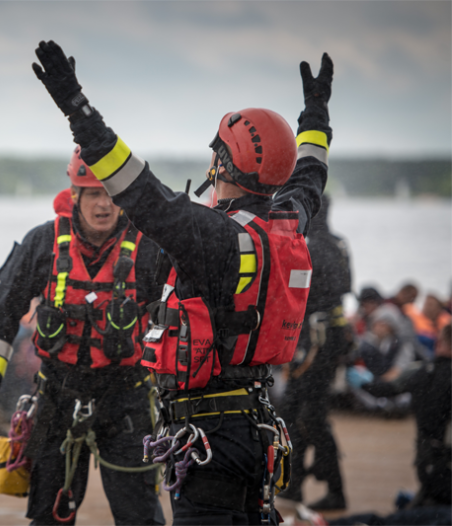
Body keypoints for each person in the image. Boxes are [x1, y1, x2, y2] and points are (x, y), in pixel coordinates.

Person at [30, 40, 332, 524]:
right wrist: (316, 116)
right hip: (255, 427)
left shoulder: (211, 236)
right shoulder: (290, 219)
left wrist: (76, 108)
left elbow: (134, 186)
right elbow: (312, 171)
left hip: (209, 435)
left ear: (225, 164)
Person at [0, 145, 164, 524]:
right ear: (75, 194)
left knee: (140, 517)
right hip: (57, 398)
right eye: (93, 193)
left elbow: (183, 319)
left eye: (111, 193)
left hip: (128, 401)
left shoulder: (150, 247)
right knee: (48, 516)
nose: (103, 204)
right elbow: (1, 317)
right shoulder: (41, 243)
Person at [278, 194, 353, 510]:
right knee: (302, 413)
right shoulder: (339, 244)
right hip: (331, 340)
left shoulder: (311, 247)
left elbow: (296, 294)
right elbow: (345, 287)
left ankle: (327, 486)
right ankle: (296, 484)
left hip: (314, 345)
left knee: (306, 414)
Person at [360, 323, 451, 508]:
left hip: (426, 459)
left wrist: (363, 382)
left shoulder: (421, 370)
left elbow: (384, 390)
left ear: (439, 343)